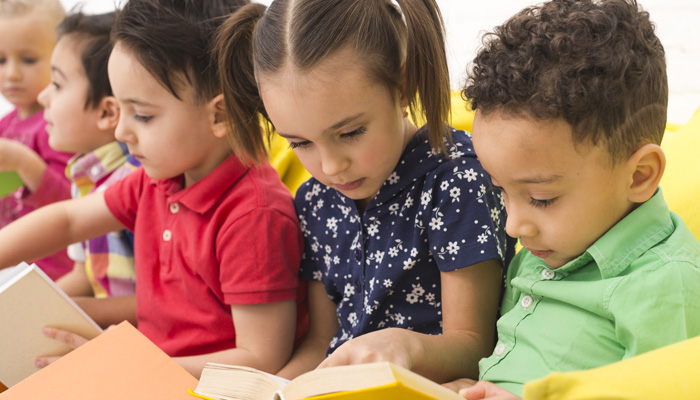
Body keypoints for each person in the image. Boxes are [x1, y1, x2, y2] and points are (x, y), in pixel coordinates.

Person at [0, 0, 307, 378]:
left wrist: (125, 369)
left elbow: (261, 360)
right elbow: (68, 220)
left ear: (219, 115)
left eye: (142, 115)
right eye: (121, 109)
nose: (120, 132)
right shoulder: (158, 180)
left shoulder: (253, 216)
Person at [215, 0, 515, 383]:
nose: (330, 166)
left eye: (350, 133)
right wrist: (278, 389)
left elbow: (474, 346)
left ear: (403, 86)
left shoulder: (457, 180)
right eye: (300, 143)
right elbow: (322, 341)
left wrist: (404, 347)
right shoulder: (315, 200)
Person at [444, 0, 700, 398]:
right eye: (501, 190)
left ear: (640, 175)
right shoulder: (548, 247)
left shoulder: (664, 285)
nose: (513, 226)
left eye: (542, 198)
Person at [35, 11, 140, 331]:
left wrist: (82, 311)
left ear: (108, 112)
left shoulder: (135, 181)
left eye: (56, 84)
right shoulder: (85, 180)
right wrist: (30, 311)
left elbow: (159, 301)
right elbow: (83, 276)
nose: (42, 97)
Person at [0, 0, 73, 280]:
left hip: (52, 274)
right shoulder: (6, 125)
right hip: (11, 266)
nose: (12, 74)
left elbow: (71, 202)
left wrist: (22, 161)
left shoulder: (61, 125)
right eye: (1, 60)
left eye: (28, 60)